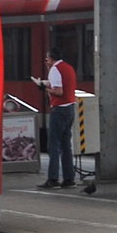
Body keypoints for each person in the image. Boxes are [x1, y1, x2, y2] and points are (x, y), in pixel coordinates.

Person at [32, 47, 77, 188]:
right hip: (70, 109)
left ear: (52, 58)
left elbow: (59, 91)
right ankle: (69, 179)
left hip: (59, 110)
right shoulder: (68, 68)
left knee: (54, 146)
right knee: (66, 145)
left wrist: (43, 88)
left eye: (47, 58)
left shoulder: (55, 69)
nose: (46, 61)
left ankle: (53, 179)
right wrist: (46, 82)